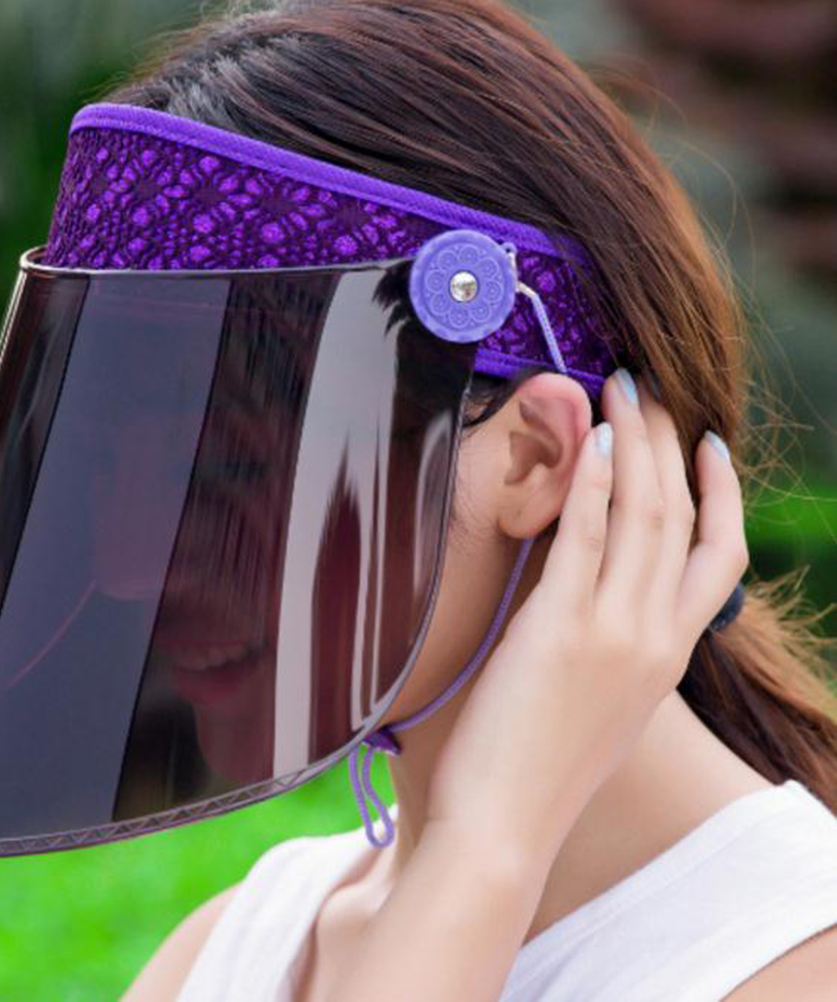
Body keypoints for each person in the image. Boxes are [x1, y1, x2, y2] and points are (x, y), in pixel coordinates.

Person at [90, 0, 837, 998]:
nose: (129, 570)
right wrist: (480, 852)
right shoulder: (239, 941)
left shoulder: (789, 967)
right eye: (112, 474)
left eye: (223, 474)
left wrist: (486, 845)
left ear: (534, 455)